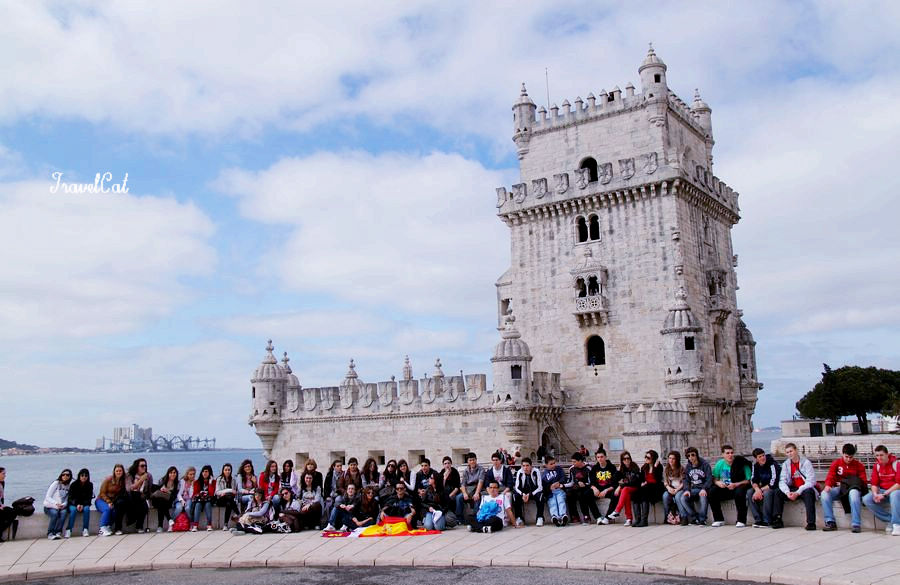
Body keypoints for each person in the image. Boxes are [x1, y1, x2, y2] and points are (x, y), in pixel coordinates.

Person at [820, 443, 867, 532]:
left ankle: (856, 524)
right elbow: (831, 476)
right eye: (846, 457)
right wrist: (828, 485)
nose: (848, 459)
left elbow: (863, 481)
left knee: (854, 494)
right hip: (839, 489)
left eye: (851, 457)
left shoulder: (859, 465)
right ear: (842, 454)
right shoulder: (836, 463)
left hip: (852, 489)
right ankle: (830, 522)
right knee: (824, 494)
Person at [775, 442, 817, 530]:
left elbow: (811, 481)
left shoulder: (806, 462)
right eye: (787, 452)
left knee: (809, 492)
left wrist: (798, 492)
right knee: (778, 492)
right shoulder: (786, 464)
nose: (789, 454)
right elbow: (782, 481)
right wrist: (787, 493)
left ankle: (811, 523)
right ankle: (778, 520)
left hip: (804, 488)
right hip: (792, 488)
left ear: (796, 450)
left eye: (791, 451)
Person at [709, 445, 752, 527]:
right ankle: (718, 519)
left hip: (738, 486)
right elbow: (714, 478)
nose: (730, 455)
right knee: (712, 492)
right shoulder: (720, 464)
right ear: (723, 454)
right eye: (727, 453)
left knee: (739, 493)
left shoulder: (741, 463)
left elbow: (748, 480)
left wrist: (736, 484)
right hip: (725, 488)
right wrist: (718, 483)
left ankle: (741, 520)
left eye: (732, 453)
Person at [862, 444, 900, 536]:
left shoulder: (897, 464)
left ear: (887, 454)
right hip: (883, 491)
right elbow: (874, 483)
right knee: (866, 499)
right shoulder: (877, 466)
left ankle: (897, 524)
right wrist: (875, 494)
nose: (879, 457)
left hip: (895, 491)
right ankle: (890, 519)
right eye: (877, 455)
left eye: (882, 455)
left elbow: (898, 484)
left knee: (894, 495)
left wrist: (884, 494)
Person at [676, 447, 713, 526]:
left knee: (703, 497)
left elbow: (709, 479)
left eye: (693, 455)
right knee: (683, 498)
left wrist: (704, 489)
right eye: (688, 456)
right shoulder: (688, 466)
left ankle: (702, 520)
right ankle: (694, 518)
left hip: (704, 489)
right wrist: (687, 490)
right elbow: (686, 479)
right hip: (694, 489)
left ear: (697, 455)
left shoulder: (705, 464)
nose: (691, 457)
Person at [747, 448, 779, 528]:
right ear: (756, 459)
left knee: (767, 493)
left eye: (763, 455)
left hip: (774, 487)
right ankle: (758, 519)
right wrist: (757, 490)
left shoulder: (772, 464)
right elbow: (753, 480)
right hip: (762, 487)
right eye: (760, 456)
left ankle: (767, 520)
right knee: (749, 492)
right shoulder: (755, 466)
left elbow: (773, 482)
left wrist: (760, 490)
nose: (762, 458)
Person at [566, 452, 599, 525]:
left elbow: (591, 482)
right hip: (576, 487)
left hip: (587, 487)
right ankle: (575, 517)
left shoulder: (588, 468)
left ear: (580, 461)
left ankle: (586, 516)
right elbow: (571, 482)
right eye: (572, 461)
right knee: (569, 494)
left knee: (582, 494)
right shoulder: (572, 469)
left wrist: (584, 484)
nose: (573, 463)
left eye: (574, 461)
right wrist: (562, 485)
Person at [633, 450, 663, 527]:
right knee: (635, 494)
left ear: (653, 458)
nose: (646, 458)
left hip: (655, 489)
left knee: (644, 492)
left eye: (648, 457)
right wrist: (642, 483)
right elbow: (641, 479)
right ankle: (637, 520)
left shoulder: (658, 467)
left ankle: (644, 520)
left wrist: (655, 468)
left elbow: (658, 479)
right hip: (646, 488)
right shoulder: (644, 467)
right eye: (645, 457)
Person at [609, 452, 641, 526]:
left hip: (635, 488)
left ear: (630, 459)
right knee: (626, 494)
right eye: (624, 459)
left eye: (628, 458)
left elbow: (633, 481)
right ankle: (629, 519)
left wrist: (620, 486)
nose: (626, 460)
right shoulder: (622, 469)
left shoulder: (634, 466)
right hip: (627, 489)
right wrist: (618, 471)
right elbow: (613, 480)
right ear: (622, 461)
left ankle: (617, 511)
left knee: (625, 489)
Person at [512, 457, 544, 526]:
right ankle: (519, 518)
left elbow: (540, 487)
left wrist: (530, 494)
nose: (525, 468)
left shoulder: (536, 471)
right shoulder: (520, 472)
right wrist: (523, 494)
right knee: (515, 496)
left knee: (540, 496)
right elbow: (517, 487)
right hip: (523, 492)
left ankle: (539, 517)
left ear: (531, 466)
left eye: (527, 465)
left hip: (534, 491)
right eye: (523, 466)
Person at [591, 449, 620, 524]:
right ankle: (598, 517)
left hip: (608, 490)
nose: (600, 459)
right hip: (598, 490)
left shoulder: (612, 467)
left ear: (605, 457)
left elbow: (615, 484)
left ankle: (607, 518)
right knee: (586, 494)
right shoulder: (594, 468)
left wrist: (606, 490)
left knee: (616, 495)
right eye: (598, 457)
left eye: (601, 457)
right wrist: (594, 488)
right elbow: (592, 482)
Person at [96, 463, 126, 536]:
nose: (118, 472)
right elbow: (102, 493)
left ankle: (108, 526)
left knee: (115, 511)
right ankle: (102, 528)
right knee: (107, 509)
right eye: (117, 471)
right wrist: (108, 502)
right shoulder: (108, 480)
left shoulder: (122, 482)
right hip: (101, 500)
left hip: (112, 501)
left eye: (120, 471)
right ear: (114, 472)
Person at [125, 458, 153, 533]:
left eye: (145, 466)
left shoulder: (148, 476)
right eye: (142, 466)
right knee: (137, 496)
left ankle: (139, 526)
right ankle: (133, 521)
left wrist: (150, 500)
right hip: (131, 497)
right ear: (137, 467)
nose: (144, 467)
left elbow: (149, 490)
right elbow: (129, 488)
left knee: (145, 507)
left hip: (142, 497)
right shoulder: (129, 475)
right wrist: (141, 480)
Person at [43, 469, 72, 539]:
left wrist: (63, 505)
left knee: (64, 513)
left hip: (61, 507)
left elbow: (67, 499)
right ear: (61, 475)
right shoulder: (56, 483)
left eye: (67, 475)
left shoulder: (69, 486)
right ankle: (50, 533)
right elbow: (48, 497)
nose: (65, 476)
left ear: (70, 477)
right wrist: (56, 504)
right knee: (55, 514)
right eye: (63, 474)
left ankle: (58, 532)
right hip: (50, 506)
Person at [541, 454, 568, 526]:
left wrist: (559, 482)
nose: (553, 465)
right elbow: (543, 485)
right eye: (551, 464)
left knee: (560, 500)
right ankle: (555, 516)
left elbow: (563, 478)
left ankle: (563, 515)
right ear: (546, 465)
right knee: (552, 503)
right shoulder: (544, 474)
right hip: (550, 492)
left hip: (559, 490)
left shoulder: (559, 469)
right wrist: (549, 487)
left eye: (554, 463)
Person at [66, 468, 93, 538]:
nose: (84, 477)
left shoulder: (90, 485)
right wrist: (77, 504)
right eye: (82, 475)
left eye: (86, 475)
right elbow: (70, 498)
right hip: (73, 504)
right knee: (73, 510)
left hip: (84, 504)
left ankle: (85, 529)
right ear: (79, 476)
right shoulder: (74, 485)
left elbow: (89, 498)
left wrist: (83, 505)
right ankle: (69, 529)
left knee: (87, 509)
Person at [456, 453, 484, 519]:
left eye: (473, 460)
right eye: (470, 460)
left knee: (477, 498)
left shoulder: (481, 469)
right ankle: (459, 518)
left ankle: (476, 517)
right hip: (468, 489)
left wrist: (477, 493)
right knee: (458, 497)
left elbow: (481, 482)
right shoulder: (466, 471)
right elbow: (463, 484)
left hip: (477, 488)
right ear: (468, 461)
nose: (472, 462)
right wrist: (465, 493)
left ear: (476, 460)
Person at [150, 466, 178, 532]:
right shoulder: (162, 480)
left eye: (174, 473)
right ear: (168, 473)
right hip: (157, 500)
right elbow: (156, 489)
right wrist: (161, 489)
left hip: (168, 501)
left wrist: (168, 491)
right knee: (161, 501)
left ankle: (160, 526)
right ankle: (169, 519)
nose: (173, 474)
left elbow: (174, 496)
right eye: (171, 473)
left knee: (161, 504)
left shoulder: (177, 483)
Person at [215, 463, 240, 531]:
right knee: (228, 497)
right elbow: (217, 492)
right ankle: (238, 513)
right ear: (223, 470)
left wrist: (227, 492)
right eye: (226, 470)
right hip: (220, 500)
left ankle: (225, 525)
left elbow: (234, 492)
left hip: (229, 500)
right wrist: (228, 491)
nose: (227, 471)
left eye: (229, 470)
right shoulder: (219, 479)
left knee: (229, 502)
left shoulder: (233, 480)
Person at [662, 451, 684, 525]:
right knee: (665, 496)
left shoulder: (681, 468)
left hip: (680, 489)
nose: (671, 460)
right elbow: (665, 482)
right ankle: (667, 516)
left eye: (673, 459)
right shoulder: (666, 469)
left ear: (677, 460)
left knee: (678, 497)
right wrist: (668, 488)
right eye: (670, 458)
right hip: (670, 489)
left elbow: (684, 482)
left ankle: (681, 516)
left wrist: (677, 490)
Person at [192, 464, 216, 531]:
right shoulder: (197, 482)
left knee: (208, 505)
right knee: (197, 505)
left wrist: (210, 483)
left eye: (206, 471)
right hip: (199, 500)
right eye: (203, 471)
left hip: (208, 500)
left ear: (210, 473)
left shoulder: (213, 482)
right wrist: (202, 493)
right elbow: (195, 493)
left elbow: (211, 494)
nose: (204, 473)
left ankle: (209, 525)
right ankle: (195, 525)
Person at [0, 468, 15, 542]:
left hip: (0, 506)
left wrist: (2, 505)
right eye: (3, 474)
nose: (5, 475)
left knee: (13, 512)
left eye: (5, 474)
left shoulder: (2, 483)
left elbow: (2, 497)